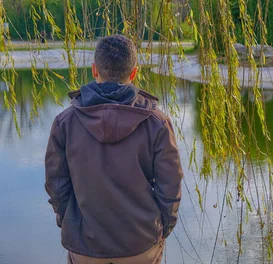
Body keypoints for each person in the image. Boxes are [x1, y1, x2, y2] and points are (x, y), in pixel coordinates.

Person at [45, 34, 183, 264]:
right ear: (133, 73)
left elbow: (57, 186)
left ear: (94, 69)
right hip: (141, 244)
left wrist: (68, 222)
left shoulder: (65, 123)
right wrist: (161, 228)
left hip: (85, 246)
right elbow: (170, 187)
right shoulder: (157, 123)